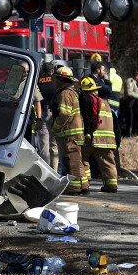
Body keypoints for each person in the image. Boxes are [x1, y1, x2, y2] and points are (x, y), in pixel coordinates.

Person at [79, 76, 118, 192]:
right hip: (108, 139)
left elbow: (86, 118)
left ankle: (85, 184)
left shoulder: (87, 101)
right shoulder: (106, 103)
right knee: (108, 162)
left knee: (82, 158)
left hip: (93, 136)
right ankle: (111, 186)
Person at [51, 66, 85, 194]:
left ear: (61, 79)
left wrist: (55, 128)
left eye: (56, 79)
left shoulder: (64, 93)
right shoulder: (71, 92)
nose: (54, 81)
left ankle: (74, 188)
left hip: (70, 135)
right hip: (75, 134)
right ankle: (84, 186)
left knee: (72, 162)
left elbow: (64, 114)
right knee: (77, 161)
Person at [121, 70, 138, 136]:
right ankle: (129, 134)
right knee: (130, 120)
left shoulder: (136, 83)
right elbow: (129, 93)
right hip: (129, 103)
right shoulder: (130, 81)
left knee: (135, 120)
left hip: (134, 104)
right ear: (137, 76)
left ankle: (134, 133)